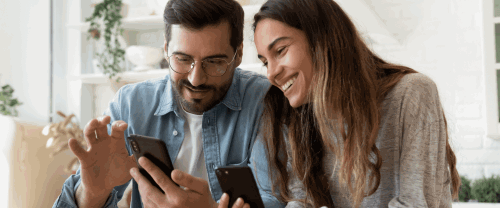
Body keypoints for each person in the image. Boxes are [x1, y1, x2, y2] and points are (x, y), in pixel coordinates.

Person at [221, 0, 461, 207]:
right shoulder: (299, 120)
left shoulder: (411, 95)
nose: (271, 74)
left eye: (281, 51)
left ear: (321, 40)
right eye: (265, 62)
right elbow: (302, 200)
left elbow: (416, 204)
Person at [52, 0, 282, 207]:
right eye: (182, 59)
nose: (196, 79)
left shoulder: (267, 101)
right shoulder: (131, 104)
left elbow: (279, 199)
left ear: (239, 54)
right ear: (165, 50)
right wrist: (91, 194)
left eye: (214, 62)